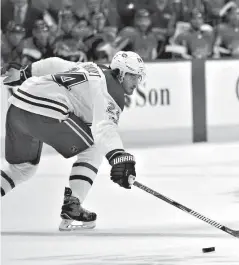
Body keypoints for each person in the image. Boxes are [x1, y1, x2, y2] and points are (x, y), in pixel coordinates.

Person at [1, 51, 146, 231]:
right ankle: (73, 205)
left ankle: (73, 205)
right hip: (47, 110)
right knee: (93, 147)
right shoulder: (112, 88)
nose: (136, 82)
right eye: (132, 76)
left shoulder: (91, 67)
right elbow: (104, 128)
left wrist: (24, 74)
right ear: (120, 73)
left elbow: (54, 63)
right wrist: (119, 157)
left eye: (138, 77)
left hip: (17, 107)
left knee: (23, 168)